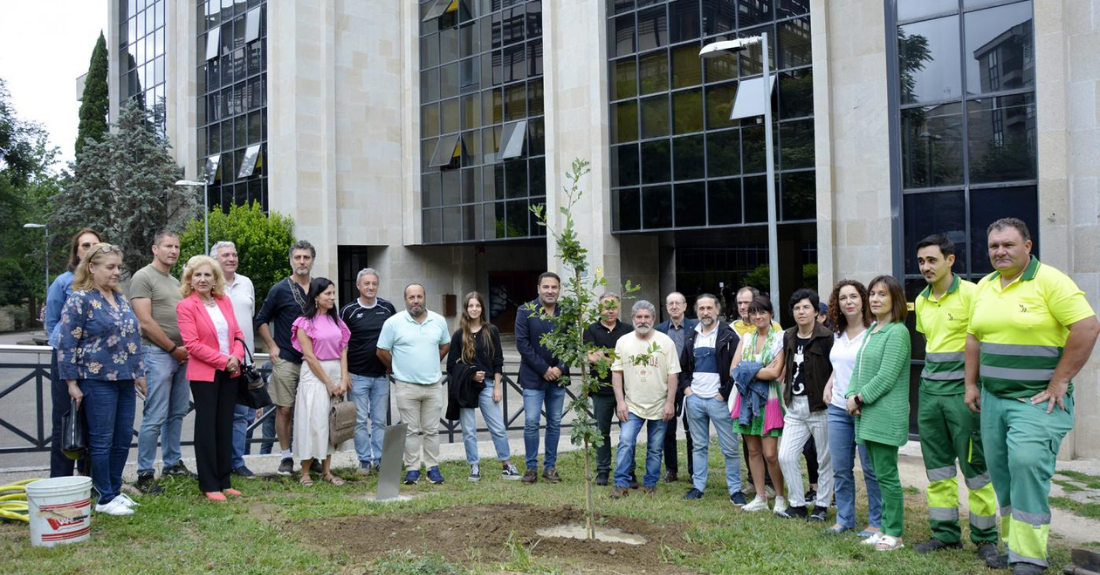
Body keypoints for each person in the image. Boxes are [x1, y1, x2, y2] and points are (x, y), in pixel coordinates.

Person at [966, 218, 1099, 575]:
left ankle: (1028, 558)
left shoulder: (1051, 282)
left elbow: (1087, 327)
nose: (1000, 252)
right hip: (993, 400)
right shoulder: (985, 286)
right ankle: (1013, 546)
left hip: (1035, 401)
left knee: (1025, 465)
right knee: (1004, 474)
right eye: (994, 246)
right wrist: (971, 383)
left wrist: (1059, 383)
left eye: (1008, 245)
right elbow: (974, 336)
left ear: (1028, 246)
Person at [911, 234, 999, 558]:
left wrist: (974, 385)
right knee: (938, 469)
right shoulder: (920, 301)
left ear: (950, 260)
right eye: (921, 261)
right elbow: (931, 345)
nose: (925, 267)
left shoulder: (973, 294)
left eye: (932, 260)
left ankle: (986, 538)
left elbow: (985, 341)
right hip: (930, 393)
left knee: (976, 467)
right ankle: (945, 534)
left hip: (963, 395)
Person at [57, 243, 144, 516]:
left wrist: (139, 372)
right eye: (110, 267)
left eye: (119, 267)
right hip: (95, 379)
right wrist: (71, 383)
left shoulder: (119, 298)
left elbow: (133, 339)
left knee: (121, 438)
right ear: (91, 268)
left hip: (124, 379)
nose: (117, 272)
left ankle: (115, 490)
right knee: (101, 440)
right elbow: (66, 342)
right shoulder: (80, 299)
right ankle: (104, 496)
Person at [846, 275, 911, 552]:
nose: (875, 299)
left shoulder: (897, 332)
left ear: (895, 299)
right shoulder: (874, 330)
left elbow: (886, 376)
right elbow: (858, 370)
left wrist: (860, 397)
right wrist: (850, 394)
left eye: (882, 294)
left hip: (884, 414)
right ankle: (884, 528)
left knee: (886, 476)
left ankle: (894, 533)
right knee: (876, 474)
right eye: (872, 294)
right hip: (867, 414)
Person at [176, 255, 247, 501]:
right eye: (198, 275)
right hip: (205, 374)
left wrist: (235, 358)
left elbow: (238, 334)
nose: (203, 279)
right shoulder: (186, 306)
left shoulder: (224, 301)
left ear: (215, 278)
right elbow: (192, 345)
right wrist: (222, 360)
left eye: (208, 275)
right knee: (207, 427)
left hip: (230, 371)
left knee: (224, 424)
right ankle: (209, 483)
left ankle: (224, 480)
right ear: (190, 280)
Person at [131, 230, 193, 492]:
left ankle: (171, 463)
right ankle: (145, 473)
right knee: (154, 415)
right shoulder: (143, 277)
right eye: (168, 246)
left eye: (177, 246)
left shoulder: (174, 280)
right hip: (158, 354)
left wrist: (182, 349)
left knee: (176, 413)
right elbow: (145, 322)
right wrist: (171, 348)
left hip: (181, 355)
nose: (174, 251)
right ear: (155, 249)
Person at [824, 279, 883, 538]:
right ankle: (844, 519)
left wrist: (860, 399)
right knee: (840, 468)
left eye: (854, 297)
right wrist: (830, 382)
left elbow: (877, 372)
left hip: (865, 409)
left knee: (871, 469)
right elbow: (841, 366)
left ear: (863, 300)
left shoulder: (876, 333)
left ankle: (876, 522)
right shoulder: (836, 334)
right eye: (843, 298)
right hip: (837, 409)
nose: (848, 302)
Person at [377, 283, 451, 485]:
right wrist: (395, 367)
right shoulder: (393, 322)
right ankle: (412, 469)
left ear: (425, 297)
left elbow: (445, 344)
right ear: (405, 300)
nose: (416, 301)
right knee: (410, 430)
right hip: (406, 386)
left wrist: (433, 361)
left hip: (434, 385)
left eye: (419, 296)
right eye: (411, 297)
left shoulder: (439, 321)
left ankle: (433, 468)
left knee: (432, 430)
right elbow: (382, 350)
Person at [446, 292, 521, 482]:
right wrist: (470, 374)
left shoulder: (491, 331)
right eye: (470, 306)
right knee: (469, 430)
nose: (474, 309)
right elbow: (451, 365)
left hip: (487, 385)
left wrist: (497, 387)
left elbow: (498, 361)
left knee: (497, 427)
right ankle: (474, 466)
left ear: (482, 309)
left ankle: (506, 464)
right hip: (466, 387)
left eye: (477, 306)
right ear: (466, 309)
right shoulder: (458, 335)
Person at [46, 227, 103, 478]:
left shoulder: (104, 284)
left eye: (95, 245)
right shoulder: (63, 282)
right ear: (77, 251)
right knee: (65, 419)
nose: (90, 250)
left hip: (95, 360)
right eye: (85, 245)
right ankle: (60, 481)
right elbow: (52, 321)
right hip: (66, 358)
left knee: (94, 420)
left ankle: (89, 480)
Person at [256, 240, 316, 476]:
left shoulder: (320, 287)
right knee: (285, 410)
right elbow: (261, 320)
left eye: (306, 257)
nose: (302, 261)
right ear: (291, 260)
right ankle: (285, 456)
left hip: (315, 363)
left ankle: (311, 456)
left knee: (313, 410)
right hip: (287, 359)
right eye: (298, 257)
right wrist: (271, 346)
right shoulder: (279, 289)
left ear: (312, 260)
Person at [609, 301, 680, 498]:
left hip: (659, 404)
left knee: (655, 448)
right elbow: (617, 373)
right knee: (625, 442)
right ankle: (621, 483)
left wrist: (669, 403)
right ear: (632, 319)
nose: (642, 321)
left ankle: (650, 484)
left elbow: (673, 375)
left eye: (646, 317)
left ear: (654, 319)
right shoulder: (623, 342)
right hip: (632, 404)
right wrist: (620, 402)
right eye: (638, 317)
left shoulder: (666, 342)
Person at [776, 289, 834, 521]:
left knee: (824, 458)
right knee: (786, 455)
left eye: (806, 307)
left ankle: (821, 506)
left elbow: (835, 369)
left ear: (816, 311)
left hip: (819, 406)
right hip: (794, 406)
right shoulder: (788, 335)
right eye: (797, 308)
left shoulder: (827, 337)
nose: (801, 312)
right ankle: (797, 504)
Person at [680, 294, 745, 504]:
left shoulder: (729, 335)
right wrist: (688, 391)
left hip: (719, 401)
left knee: (730, 447)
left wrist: (723, 393)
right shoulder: (692, 335)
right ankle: (698, 487)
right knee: (698, 446)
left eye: (709, 308)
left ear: (717, 310)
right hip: (695, 399)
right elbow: (683, 367)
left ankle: (735, 490)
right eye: (701, 308)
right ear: (697, 311)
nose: (705, 312)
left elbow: (737, 367)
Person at [730, 296, 787, 513]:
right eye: (754, 312)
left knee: (770, 453)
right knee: (753, 451)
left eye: (762, 312)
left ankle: (780, 496)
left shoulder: (780, 338)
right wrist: (758, 370)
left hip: (769, 400)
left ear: (771, 314)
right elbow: (733, 371)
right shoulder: (745, 339)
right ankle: (760, 496)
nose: (758, 316)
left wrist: (748, 369)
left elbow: (776, 372)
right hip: (745, 400)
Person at [292, 278, 351, 486]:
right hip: (315, 376)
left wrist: (343, 378)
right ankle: (306, 471)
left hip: (335, 372)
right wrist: (327, 382)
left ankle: (327, 471)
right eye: (327, 294)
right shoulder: (304, 323)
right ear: (316, 296)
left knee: (331, 422)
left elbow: (343, 349)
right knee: (312, 421)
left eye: (333, 293)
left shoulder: (337, 321)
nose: (332, 297)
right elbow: (309, 356)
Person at [339, 268, 397, 475]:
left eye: (373, 283)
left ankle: (380, 459)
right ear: (358, 286)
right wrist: (344, 375)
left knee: (380, 420)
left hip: (381, 376)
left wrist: (394, 364)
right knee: (360, 421)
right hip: (357, 376)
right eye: (366, 284)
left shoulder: (387, 308)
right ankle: (364, 460)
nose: (370, 287)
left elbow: (396, 338)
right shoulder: (348, 311)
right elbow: (341, 345)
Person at [514, 272, 570, 484]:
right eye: (546, 287)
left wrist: (560, 368)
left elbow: (571, 345)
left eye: (554, 287)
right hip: (533, 379)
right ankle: (530, 468)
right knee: (531, 422)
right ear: (538, 288)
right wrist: (545, 368)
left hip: (558, 379)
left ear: (559, 289)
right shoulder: (525, 311)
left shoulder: (566, 313)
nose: (550, 291)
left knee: (555, 423)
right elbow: (522, 344)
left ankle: (550, 468)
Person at [211, 241, 258, 479]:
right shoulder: (209, 285)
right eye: (225, 255)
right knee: (216, 414)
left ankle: (237, 462)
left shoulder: (246, 283)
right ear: (215, 260)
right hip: (216, 361)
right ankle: (217, 462)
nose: (231, 258)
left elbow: (248, 319)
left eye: (234, 254)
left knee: (241, 415)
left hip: (243, 360)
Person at [583, 292, 634, 486]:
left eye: (613, 306)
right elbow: (591, 357)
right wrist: (616, 360)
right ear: (599, 308)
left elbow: (629, 359)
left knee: (627, 433)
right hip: (601, 390)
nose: (610, 310)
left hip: (626, 390)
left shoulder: (628, 330)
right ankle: (603, 471)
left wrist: (603, 356)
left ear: (619, 308)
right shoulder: (590, 330)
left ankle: (628, 470)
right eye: (606, 306)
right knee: (601, 432)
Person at [655, 291, 697, 483]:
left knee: (692, 430)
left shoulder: (695, 328)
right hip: (666, 385)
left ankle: (693, 470)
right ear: (666, 307)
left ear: (685, 306)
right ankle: (671, 469)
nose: (674, 307)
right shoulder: (659, 330)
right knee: (667, 429)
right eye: (670, 303)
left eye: (677, 303)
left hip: (690, 384)